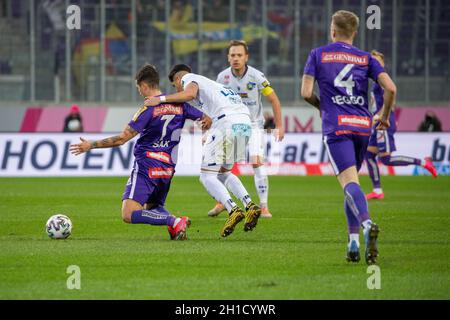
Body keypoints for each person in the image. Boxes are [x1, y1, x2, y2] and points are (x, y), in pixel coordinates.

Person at [69, 64, 211, 240]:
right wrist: (206, 131)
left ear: (144, 86)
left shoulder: (148, 109)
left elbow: (122, 138)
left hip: (147, 165)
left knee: (128, 214)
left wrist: (91, 145)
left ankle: (174, 221)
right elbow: (207, 119)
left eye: (138, 88)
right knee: (153, 207)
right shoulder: (179, 104)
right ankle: (175, 226)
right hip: (167, 168)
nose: (139, 92)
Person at [301, 10, 397, 265]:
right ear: (355, 32)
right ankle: (353, 242)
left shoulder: (318, 54)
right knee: (352, 183)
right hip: (362, 126)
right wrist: (384, 115)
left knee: (348, 183)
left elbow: (306, 92)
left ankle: (366, 226)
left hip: (337, 127)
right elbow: (390, 88)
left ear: (333, 30)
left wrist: (323, 106)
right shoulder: (366, 58)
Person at [144, 64, 261, 238]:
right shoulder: (214, 86)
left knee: (206, 176)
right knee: (223, 172)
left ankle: (233, 210)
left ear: (178, 79)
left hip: (226, 125)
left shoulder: (189, 79)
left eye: (175, 86)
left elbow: (188, 93)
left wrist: (160, 100)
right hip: (244, 124)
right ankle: (249, 205)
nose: (177, 89)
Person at [208, 40, 284, 219]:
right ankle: (221, 202)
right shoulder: (222, 78)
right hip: (230, 127)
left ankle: (264, 206)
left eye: (239, 55)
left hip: (253, 126)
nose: (236, 58)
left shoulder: (257, 77)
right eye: (232, 55)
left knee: (256, 162)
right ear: (228, 57)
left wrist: (279, 126)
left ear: (246, 57)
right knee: (222, 167)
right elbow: (214, 104)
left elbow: (274, 100)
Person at [365, 51, 438, 200]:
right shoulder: (376, 82)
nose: (375, 64)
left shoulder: (382, 80)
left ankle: (424, 162)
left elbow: (390, 99)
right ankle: (377, 190)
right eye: (373, 61)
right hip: (378, 122)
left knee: (386, 159)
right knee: (369, 154)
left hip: (382, 123)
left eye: (378, 61)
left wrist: (381, 116)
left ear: (383, 64)